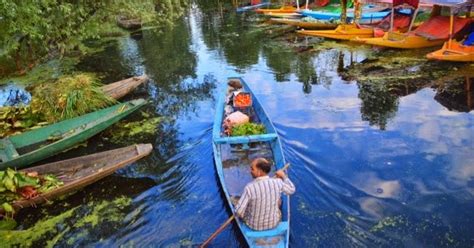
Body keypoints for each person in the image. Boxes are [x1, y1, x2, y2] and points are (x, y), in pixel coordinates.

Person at [234, 158, 296, 231]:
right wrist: (283, 176)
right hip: (274, 224)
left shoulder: (249, 188)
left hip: (254, 226)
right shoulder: (278, 182)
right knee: (279, 201)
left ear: (260, 172)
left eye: (252, 169)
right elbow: (292, 189)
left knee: (238, 204)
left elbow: (238, 211)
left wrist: (239, 209)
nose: (250, 171)